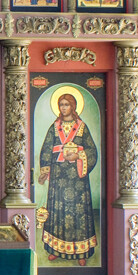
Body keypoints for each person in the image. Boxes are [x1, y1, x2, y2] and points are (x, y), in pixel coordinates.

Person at [38, 92, 98, 265]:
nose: (64, 108)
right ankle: (56, 249)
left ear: (73, 106)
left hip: (77, 179)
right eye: (61, 104)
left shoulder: (81, 127)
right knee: (58, 212)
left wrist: (78, 155)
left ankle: (81, 253)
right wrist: (44, 170)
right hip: (58, 177)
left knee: (78, 213)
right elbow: (47, 148)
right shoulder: (54, 126)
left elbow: (92, 151)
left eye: (67, 104)